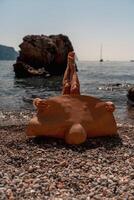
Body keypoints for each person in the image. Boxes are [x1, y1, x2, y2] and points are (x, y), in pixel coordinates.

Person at [27, 51, 117, 144]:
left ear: (65, 134)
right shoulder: (95, 126)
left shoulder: (51, 127)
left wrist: (37, 102)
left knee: (66, 86)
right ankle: (72, 68)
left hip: (61, 114)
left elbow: (37, 108)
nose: (77, 126)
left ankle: (68, 66)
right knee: (74, 88)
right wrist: (110, 105)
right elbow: (105, 111)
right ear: (85, 132)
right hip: (79, 111)